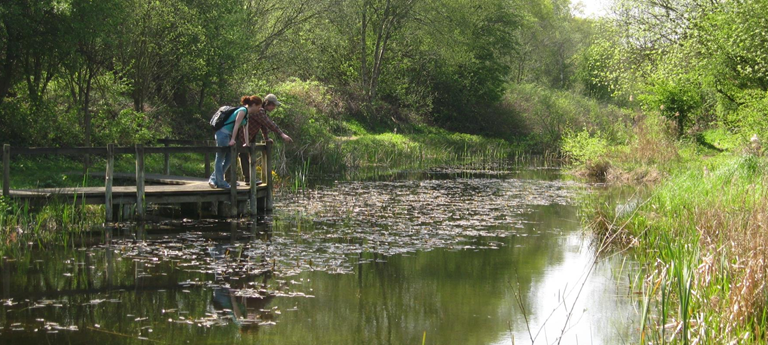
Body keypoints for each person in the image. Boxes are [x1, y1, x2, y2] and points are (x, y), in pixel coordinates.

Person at [236, 94, 293, 185]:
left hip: (247, 137)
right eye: (273, 105)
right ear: (267, 103)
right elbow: (269, 123)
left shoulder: (261, 112)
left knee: (244, 156)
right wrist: (282, 134)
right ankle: (234, 179)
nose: (274, 108)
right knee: (236, 156)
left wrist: (266, 139)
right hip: (239, 136)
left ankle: (248, 179)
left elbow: (263, 126)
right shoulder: (259, 111)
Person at [208, 95, 261, 189]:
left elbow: (246, 129)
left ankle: (213, 179)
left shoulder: (247, 115)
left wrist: (247, 142)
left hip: (227, 135)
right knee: (220, 158)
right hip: (223, 134)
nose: (259, 109)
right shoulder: (242, 111)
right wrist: (233, 139)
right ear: (253, 105)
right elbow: (236, 125)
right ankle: (220, 182)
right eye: (259, 107)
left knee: (230, 158)